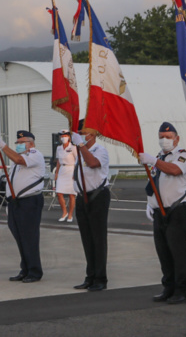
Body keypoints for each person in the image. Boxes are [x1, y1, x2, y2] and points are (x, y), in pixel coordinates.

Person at [138, 122, 186, 304]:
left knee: (177, 252)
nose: (164, 140)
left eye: (168, 137)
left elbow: (175, 171)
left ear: (176, 138)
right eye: (161, 137)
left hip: (177, 211)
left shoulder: (183, 156)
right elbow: (153, 181)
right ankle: (168, 287)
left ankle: (181, 290)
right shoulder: (158, 157)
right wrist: (150, 203)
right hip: (158, 211)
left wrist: (154, 162)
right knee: (163, 252)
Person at [0, 131, 45, 282]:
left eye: (22, 142)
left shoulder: (35, 154)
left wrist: (2, 145)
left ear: (31, 143)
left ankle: (35, 271)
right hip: (16, 203)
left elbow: (17, 159)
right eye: (17, 143)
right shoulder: (18, 160)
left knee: (29, 237)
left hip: (29, 202)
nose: (19, 145)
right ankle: (25, 268)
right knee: (20, 237)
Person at [70, 120, 111, 291]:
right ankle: (90, 276)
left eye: (82, 132)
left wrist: (80, 145)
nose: (79, 134)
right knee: (87, 238)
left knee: (98, 238)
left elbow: (93, 164)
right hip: (82, 197)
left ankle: (100, 278)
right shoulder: (80, 151)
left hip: (97, 196)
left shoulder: (99, 150)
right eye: (78, 132)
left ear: (92, 134)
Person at [54, 130, 76, 222]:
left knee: (71, 194)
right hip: (62, 170)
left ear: (69, 137)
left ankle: (70, 214)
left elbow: (77, 160)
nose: (63, 138)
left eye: (65, 136)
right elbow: (58, 161)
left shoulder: (73, 147)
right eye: (62, 136)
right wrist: (56, 172)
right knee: (59, 193)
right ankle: (64, 212)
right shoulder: (59, 148)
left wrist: (76, 173)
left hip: (71, 170)